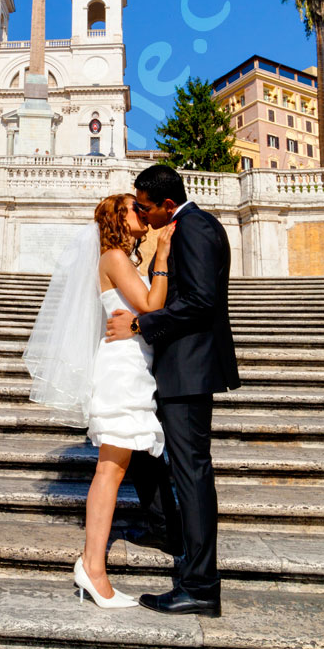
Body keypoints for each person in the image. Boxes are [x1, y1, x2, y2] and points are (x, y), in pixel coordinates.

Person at [23, 193, 174, 609]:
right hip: (122, 371)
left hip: (132, 366)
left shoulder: (121, 259)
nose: (142, 214)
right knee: (110, 471)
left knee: (114, 468)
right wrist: (162, 253)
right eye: (134, 208)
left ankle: (92, 565)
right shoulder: (113, 258)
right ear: (118, 219)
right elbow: (150, 305)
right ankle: (93, 569)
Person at [107, 165, 240, 618]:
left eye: (144, 207)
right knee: (170, 465)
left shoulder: (195, 228)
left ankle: (201, 585)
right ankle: (172, 536)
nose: (142, 217)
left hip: (188, 372)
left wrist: (142, 323)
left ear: (166, 204)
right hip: (178, 369)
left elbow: (202, 302)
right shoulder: (183, 227)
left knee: (193, 475)